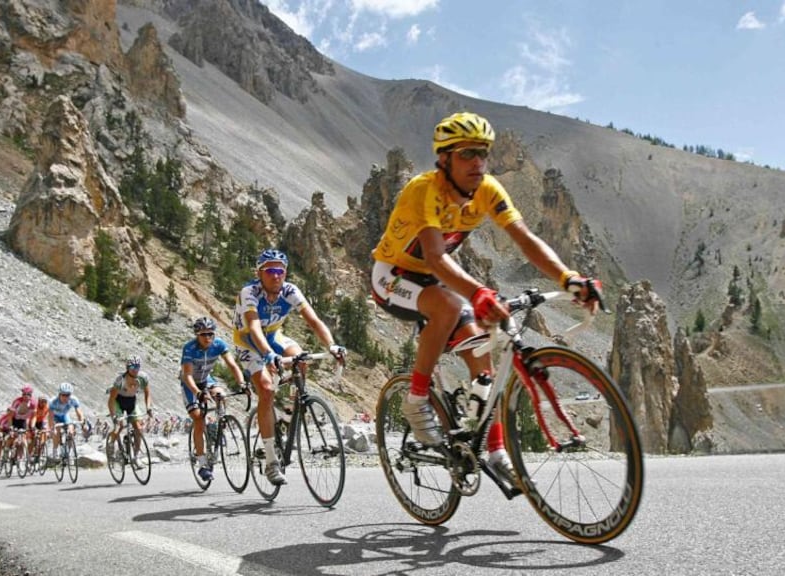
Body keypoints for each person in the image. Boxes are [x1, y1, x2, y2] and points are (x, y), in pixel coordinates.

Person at [370, 111, 601, 484]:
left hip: (434, 279)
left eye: (483, 153)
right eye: (466, 154)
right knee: (448, 305)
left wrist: (568, 277)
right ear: (443, 159)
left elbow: (525, 239)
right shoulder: (423, 189)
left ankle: (495, 452)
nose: (478, 162)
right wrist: (477, 292)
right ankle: (415, 400)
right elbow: (434, 255)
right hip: (392, 276)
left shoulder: (489, 189)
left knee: (482, 360)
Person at [233, 248, 347, 485]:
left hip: (274, 335)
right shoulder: (250, 292)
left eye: (281, 271)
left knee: (301, 360)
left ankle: (286, 416)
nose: (277, 276)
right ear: (259, 273)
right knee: (265, 388)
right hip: (248, 342)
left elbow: (314, 321)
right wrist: (268, 355)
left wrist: (332, 346)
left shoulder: (289, 290)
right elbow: (253, 328)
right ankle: (271, 461)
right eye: (271, 271)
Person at [181, 316, 247, 481]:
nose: (208, 337)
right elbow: (187, 375)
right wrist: (197, 393)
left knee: (221, 395)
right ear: (197, 335)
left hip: (206, 379)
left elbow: (232, 365)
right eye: (204, 334)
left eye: (211, 334)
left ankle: (216, 428)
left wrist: (242, 383)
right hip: (190, 384)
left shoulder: (219, 345)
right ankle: (202, 463)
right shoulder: (189, 348)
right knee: (197, 418)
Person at [107, 356, 153, 466]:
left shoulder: (143, 377)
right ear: (127, 368)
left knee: (139, 428)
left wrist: (148, 408)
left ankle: (136, 457)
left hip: (131, 402)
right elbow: (111, 400)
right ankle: (111, 443)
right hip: (118, 402)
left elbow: (147, 394)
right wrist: (113, 415)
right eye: (132, 367)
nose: (135, 369)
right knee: (119, 426)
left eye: (137, 367)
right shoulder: (120, 380)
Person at [48, 382, 86, 462]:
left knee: (71, 431)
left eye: (68, 395)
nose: (65, 397)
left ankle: (68, 452)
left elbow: (79, 412)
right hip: (55, 417)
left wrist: (82, 422)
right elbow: (50, 416)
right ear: (59, 394)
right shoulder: (53, 401)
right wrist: (52, 428)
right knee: (56, 432)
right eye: (63, 395)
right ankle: (55, 451)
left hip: (65, 416)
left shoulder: (73, 400)